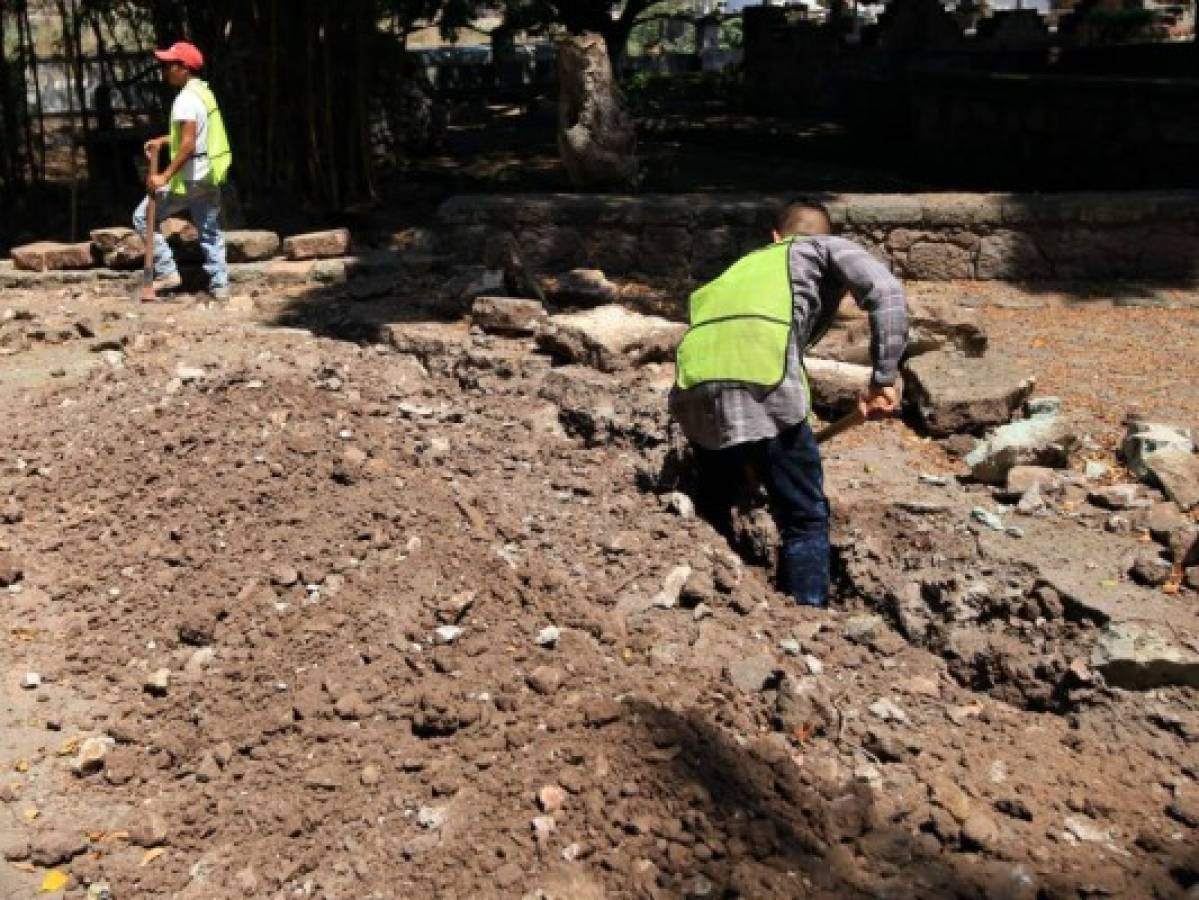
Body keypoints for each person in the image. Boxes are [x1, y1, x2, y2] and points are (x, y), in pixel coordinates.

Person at [670, 198, 909, 608]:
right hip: (765, 385)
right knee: (804, 518)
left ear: (776, 236)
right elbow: (886, 293)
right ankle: (809, 618)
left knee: (717, 500)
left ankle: (721, 591)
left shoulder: (740, 268)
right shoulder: (824, 248)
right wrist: (883, 377)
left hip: (690, 395)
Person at [134, 41, 232, 299]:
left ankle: (167, 271)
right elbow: (193, 134)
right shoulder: (203, 93)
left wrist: (163, 176)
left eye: (170, 65)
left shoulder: (185, 99)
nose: (166, 71)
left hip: (189, 177)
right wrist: (163, 141)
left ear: (184, 68)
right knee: (210, 230)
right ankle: (220, 285)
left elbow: (188, 144)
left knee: (143, 218)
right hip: (208, 172)